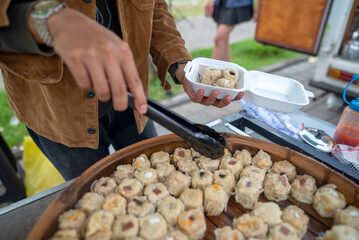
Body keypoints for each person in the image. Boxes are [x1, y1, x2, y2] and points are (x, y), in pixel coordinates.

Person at [0, 0, 244, 181]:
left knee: (158, 178)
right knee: (94, 195)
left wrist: (179, 63)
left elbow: (154, 8)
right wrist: (46, 21)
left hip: (135, 101)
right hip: (57, 112)